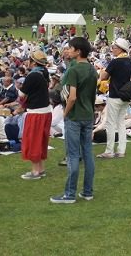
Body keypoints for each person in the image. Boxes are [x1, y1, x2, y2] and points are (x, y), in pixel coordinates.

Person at [51, 36, 96, 204]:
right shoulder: (92, 69)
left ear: (78, 51)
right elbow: (92, 95)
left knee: (72, 155)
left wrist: (65, 114)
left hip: (75, 116)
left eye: (70, 48)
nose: (67, 50)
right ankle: (87, 191)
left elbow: (72, 97)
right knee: (88, 154)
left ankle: (69, 194)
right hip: (88, 115)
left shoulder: (74, 70)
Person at [18, 50, 52, 180]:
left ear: (33, 62)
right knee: (41, 140)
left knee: (33, 141)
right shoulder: (44, 72)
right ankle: (41, 168)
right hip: (46, 110)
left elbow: (21, 94)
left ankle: (35, 171)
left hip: (36, 112)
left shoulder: (32, 76)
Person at [98, 38, 131, 159]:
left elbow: (103, 76)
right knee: (121, 123)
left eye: (114, 47)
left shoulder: (115, 62)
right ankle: (121, 150)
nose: (112, 49)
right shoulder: (129, 61)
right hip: (125, 96)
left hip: (115, 95)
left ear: (120, 49)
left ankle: (109, 151)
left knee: (111, 124)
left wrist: (102, 68)